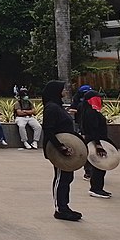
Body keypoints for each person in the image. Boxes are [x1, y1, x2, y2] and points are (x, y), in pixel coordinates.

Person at [42, 80, 81, 221]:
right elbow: (49, 130)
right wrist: (60, 147)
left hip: (67, 147)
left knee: (67, 177)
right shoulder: (51, 108)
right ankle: (60, 209)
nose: (65, 91)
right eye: (63, 89)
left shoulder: (57, 106)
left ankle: (65, 206)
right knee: (61, 177)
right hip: (59, 150)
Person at [78, 91, 113, 199]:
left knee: (101, 166)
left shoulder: (91, 111)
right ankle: (95, 188)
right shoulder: (90, 113)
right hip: (95, 141)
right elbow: (93, 130)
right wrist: (98, 144)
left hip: (98, 140)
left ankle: (98, 188)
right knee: (99, 165)